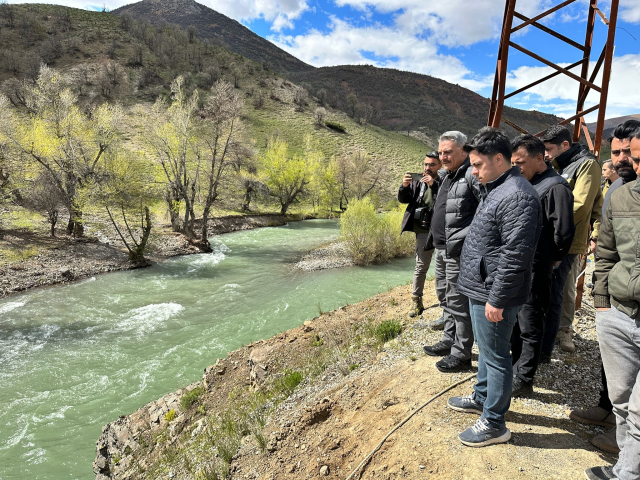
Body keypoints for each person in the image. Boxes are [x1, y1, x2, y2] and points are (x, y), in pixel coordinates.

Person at [447, 127, 541, 446]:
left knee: (498, 355)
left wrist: (498, 299)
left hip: (494, 293)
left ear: (498, 159)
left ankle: (494, 422)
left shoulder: (516, 194)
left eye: (477, 164)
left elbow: (515, 254)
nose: (473, 171)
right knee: (487, 351)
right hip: (482, 287)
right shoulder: (499, 186)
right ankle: (481, 397)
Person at [571, 119, 640, 456]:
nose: (623, 159)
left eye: (629, 152)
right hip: (615, 304)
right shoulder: (617, 189)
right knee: (615, 373)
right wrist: (601, 303)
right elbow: (610, 251)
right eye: (617, 153)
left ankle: (623, 439)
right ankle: (606, 412)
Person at [510, 135, 575, 397]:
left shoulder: (555, 187)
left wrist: (552, 258)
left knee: (530, 322)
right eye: (513, 162)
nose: (517, 167)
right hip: (518, 265)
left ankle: (524, 378)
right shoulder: (526, 181)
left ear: (540, 158)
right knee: (515, 321)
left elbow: (564, 232)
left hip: (537, 266)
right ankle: (514, 368)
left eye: (521, 162)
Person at [540, 125, 602, 357]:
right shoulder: (558, 164)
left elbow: (580, 205)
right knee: (549, 287)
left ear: (565, 145)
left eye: (549, 149)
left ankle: (559, 333)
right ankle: (548, 329)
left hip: (569, 240)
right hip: (551, 237)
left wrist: (542, 221)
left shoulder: (586, 165)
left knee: (561, 289)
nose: (545, 154)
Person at [422, 131, 481, 373]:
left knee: (458, 301)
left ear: (464, 150)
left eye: (448, 152)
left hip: (458, 251)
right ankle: (449, 339)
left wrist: (467, 243)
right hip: (442, 247)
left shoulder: (471, 174)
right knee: (445, 296)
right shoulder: (448, 175)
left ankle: (462, 354)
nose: (443, 157)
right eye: (441, 152)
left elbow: (484, 212)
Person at [398, 152, 442, 318]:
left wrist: (434, 185)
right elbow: (404, 199)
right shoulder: (418, 182)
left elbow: (446, 201)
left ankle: (446, 303)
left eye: (431, 165)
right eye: (425, 164)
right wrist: (405, 186)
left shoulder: (444, 181)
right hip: (423, 229)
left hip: (441, 230)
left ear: (440, 166)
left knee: (443, 267)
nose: (427, 168)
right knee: (421, 266)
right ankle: (416, 300)